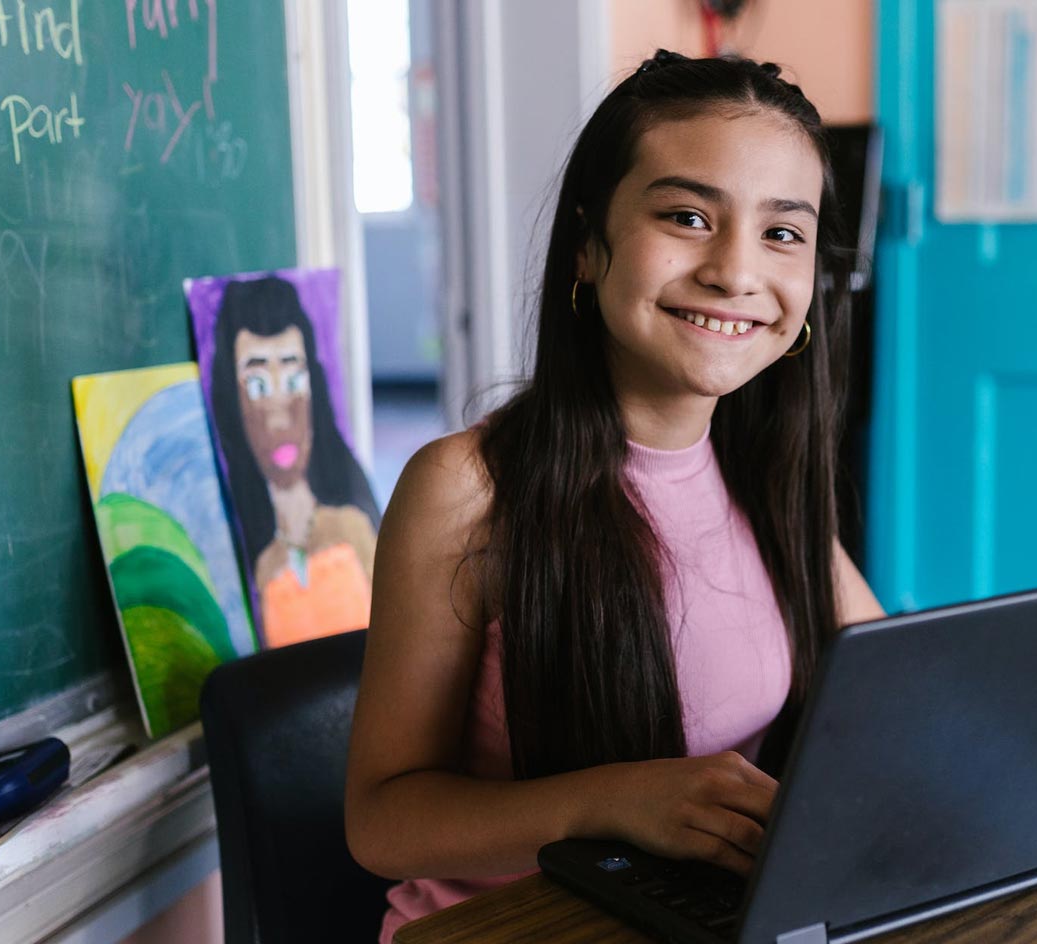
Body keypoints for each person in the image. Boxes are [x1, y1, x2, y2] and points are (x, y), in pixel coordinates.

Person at [344, 51, 885, 941]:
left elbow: (896, 685)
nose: (735, 271)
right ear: (590, 247)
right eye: (686, 216)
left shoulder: (766, 474)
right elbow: (382, 823)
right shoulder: (468, 489)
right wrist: (614, 799)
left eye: (782, 233)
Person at [209, 275, 381, 648]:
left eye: (292, 380)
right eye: (256, 386)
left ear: (314, 386)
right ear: (231, 402)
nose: (279, 416)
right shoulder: (253, 565)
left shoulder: (354, 530)